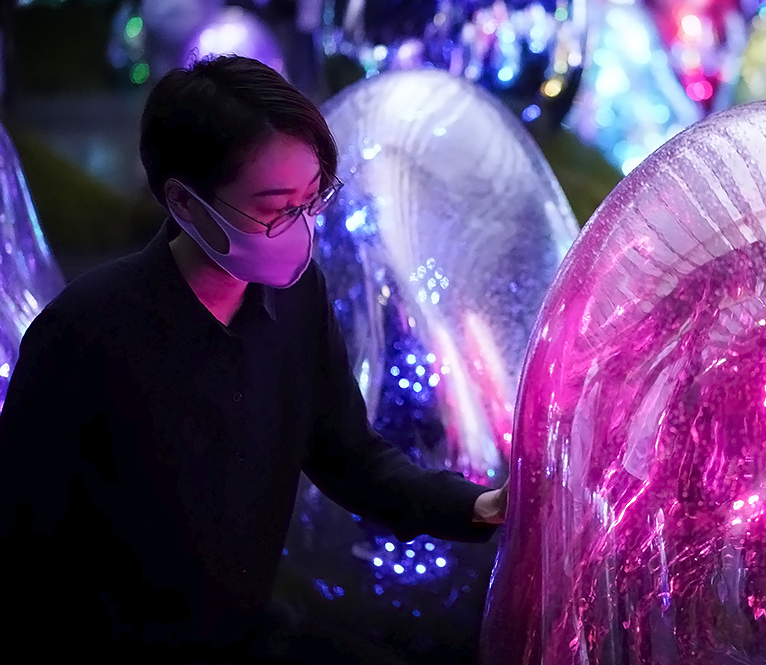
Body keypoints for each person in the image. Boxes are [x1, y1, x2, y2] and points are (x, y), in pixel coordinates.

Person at [0, 54, 507, 662]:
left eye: (311, 201)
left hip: (249, 633)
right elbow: (24, 544)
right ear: (185, 204)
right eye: (274, 208)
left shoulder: (295, 299)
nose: (299, 228)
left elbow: (347, 454)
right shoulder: (84, 335)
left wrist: (473, 505)